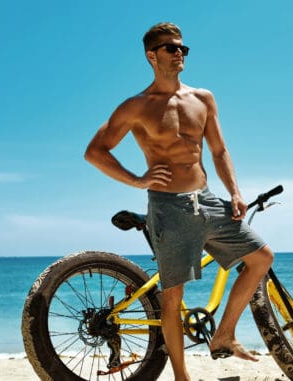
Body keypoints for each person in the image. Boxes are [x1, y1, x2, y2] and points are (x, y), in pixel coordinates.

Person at [84, 22, 274, 381]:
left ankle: (224, 334)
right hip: (169, 207)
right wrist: (137, 180)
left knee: (261, 257)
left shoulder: (203, 99)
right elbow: (95, 151)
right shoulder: (137, 106)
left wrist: (234, 190)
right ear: (151, 56)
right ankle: (182, 378)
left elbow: (218, 150)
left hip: (208, 200)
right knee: (171, 298)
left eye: (183, 48)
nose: (179, 54)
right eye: (172, 48)